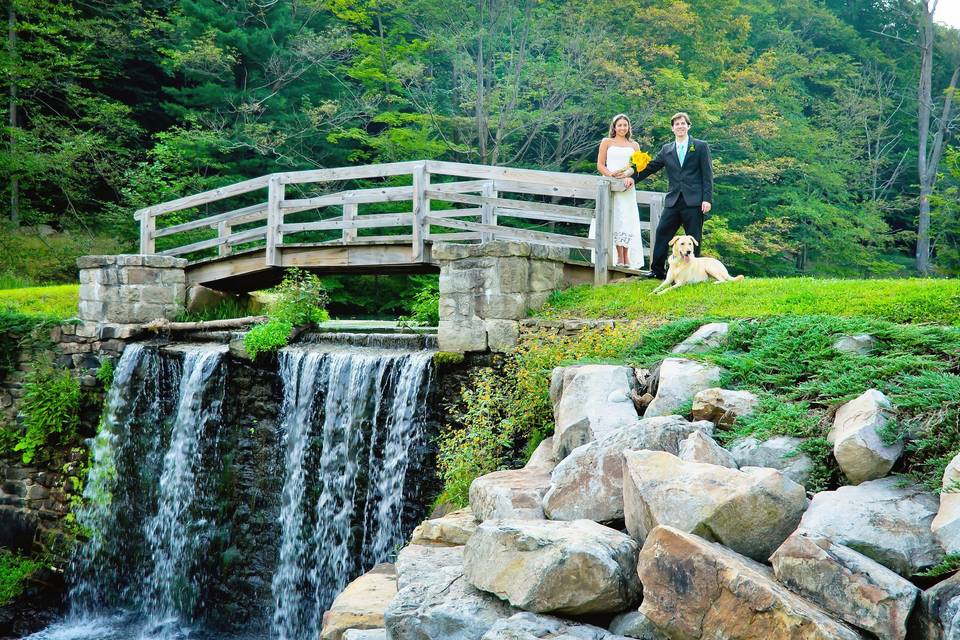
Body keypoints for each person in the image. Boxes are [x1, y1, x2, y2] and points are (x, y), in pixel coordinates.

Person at [631, 111, 713, 279]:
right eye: (677, 124)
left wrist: (707, 199)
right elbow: (652, 166)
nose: (680, 126)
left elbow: (708, 174)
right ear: (672, 128)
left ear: (688, 126)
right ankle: (657, 271)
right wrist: (632, 178)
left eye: (683, 123)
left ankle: (692, 274)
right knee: (662, 232)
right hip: (673, 200)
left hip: (694, 201)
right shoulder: (666, 149)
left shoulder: (700, 146)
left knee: (693, 238)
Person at [590, 113, 645, 268]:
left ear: (628, 127)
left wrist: (629, 176)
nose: (622, 128)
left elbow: (637, 168)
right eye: (619, 125)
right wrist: (611, 175)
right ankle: (617, 257)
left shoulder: (634, 145)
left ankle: (626, 257)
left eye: (625, 125)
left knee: (626, 219)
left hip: (627, 187)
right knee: (613, 218)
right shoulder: (607, 142)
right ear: (614, 127)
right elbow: (600, 164)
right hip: (609, 185)